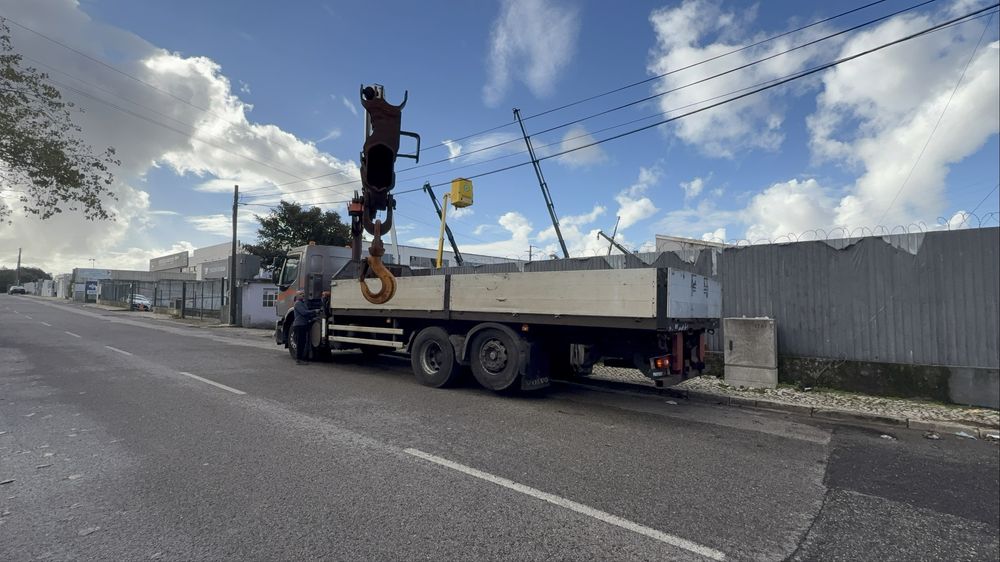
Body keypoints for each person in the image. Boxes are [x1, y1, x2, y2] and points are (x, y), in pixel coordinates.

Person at [292, 291, 316, 365]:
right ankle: (298, 360)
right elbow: (304, 312)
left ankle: (301, 358)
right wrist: (314, 311)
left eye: (303, 294)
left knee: (303, 342)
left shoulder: (303, 303)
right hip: (299, 325)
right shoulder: (297, 303)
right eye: (300, 294)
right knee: (300, 343)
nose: (303, 295)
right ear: (297, 296)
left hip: (303, 325)